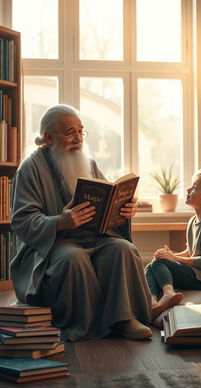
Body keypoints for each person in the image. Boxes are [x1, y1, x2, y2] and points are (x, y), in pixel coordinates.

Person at [10, 104, 152, 341]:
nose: (78, 138)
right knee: (72, 258)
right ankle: (83, 325)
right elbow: (22, 222)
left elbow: (108, 199)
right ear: (49, 137)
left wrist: (125, 208)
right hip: (53, 245)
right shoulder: (30, 169)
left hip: (94, 237)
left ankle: (124, 319)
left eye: (81, 131)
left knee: (122, 249)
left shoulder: (88, 162)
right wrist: (61, 221)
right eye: (70, 132)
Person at [145, 166, 201, 320]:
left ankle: (168, 294)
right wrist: (171, 255)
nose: (188, 190)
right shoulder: (193, 220)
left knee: (160, 264)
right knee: (153, 263)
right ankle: (153, 303)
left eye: (194, 188)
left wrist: (174, 259)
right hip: (199, 271)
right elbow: (191, 252)